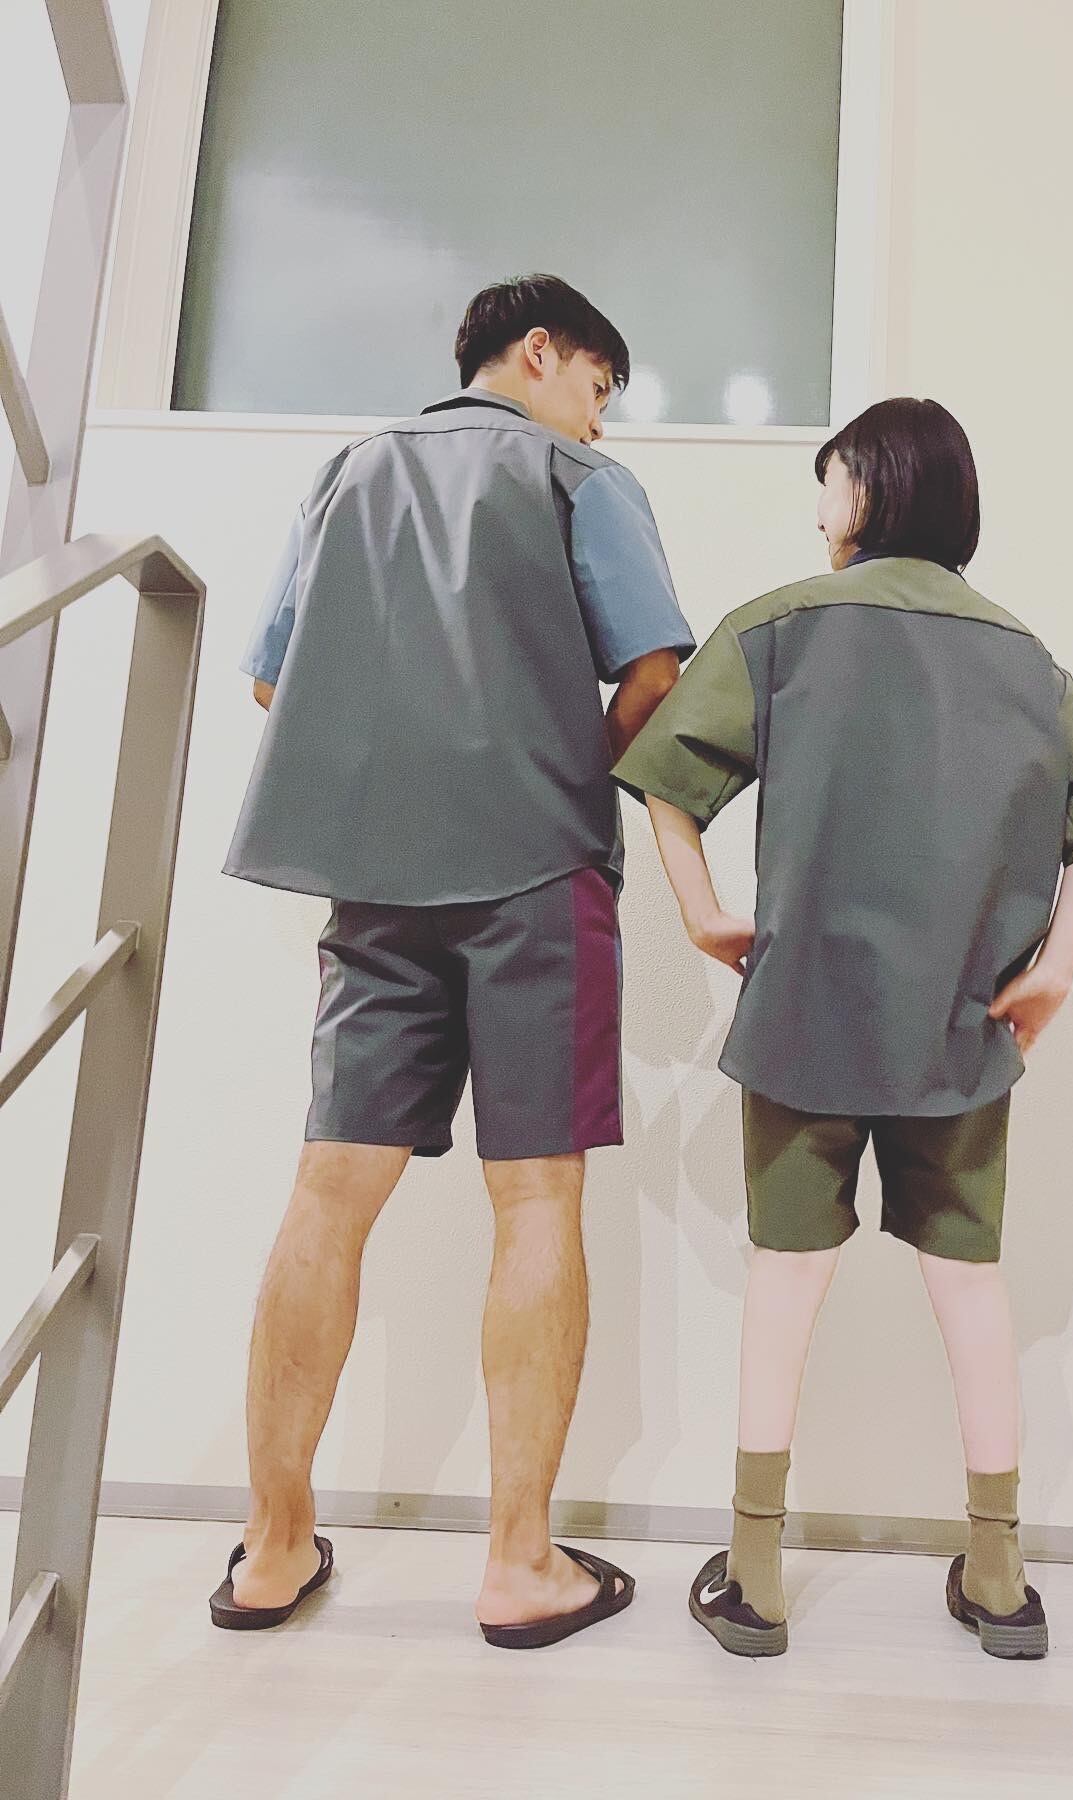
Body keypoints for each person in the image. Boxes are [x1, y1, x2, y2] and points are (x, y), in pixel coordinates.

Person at [612, 397, 1073, 1659]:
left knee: (784, 1281)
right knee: (971, 1287)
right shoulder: (1026, 657)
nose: (818, 511)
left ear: (868, 488)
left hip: (805, 1019)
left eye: (829, 482)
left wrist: (701, 913)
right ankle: (1001, 1579)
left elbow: (664, 778)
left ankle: (755, 1576)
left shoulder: (781, 626)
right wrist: (1056, 970)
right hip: (960, 1032)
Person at [210, 275, 694, 1649]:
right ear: (540, 353)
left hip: (375, 888)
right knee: (536, 1200)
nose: (597, 421)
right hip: (539, 881)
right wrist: (559, 772)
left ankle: (273, 1549)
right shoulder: (577, 481)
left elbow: (274, 680)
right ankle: (520, 1565)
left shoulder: (348, 475)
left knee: (327, 1197)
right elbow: (658, 672)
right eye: (595, 389)